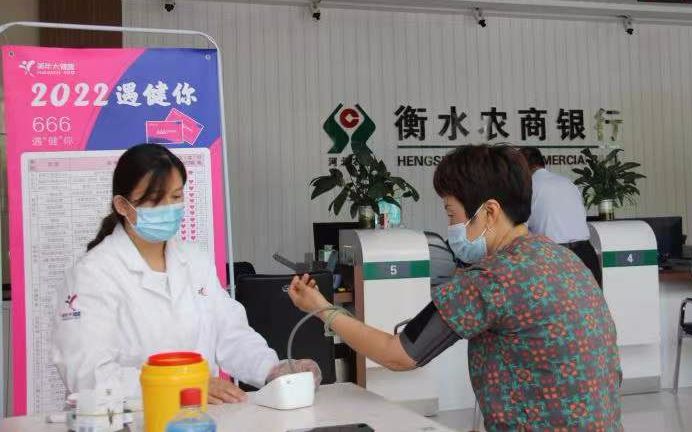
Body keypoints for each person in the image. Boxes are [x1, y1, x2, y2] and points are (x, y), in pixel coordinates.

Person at [288, 145, 622, 431]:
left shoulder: (492, 278)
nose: (451, 227)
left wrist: (321, 308)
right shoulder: (563, 258)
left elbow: (398, 354)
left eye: (452, 214)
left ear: (489, 211)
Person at [52, 144, 320, 404]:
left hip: (201, 417)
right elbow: (88, 375)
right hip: (131, 419)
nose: (168, 207)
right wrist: (184, 384)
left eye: (176, 196)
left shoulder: (194, 260)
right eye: (154, 199)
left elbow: (230, 333)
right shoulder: (92, 274)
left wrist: (272, 370)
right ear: (122, 205)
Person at [519, 146, 602, 286]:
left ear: (523, 167)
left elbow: (519, 230)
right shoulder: (567, 182)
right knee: (590, 298)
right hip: (585, 254)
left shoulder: (528, 188)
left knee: (556, 299)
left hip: (553, 256)